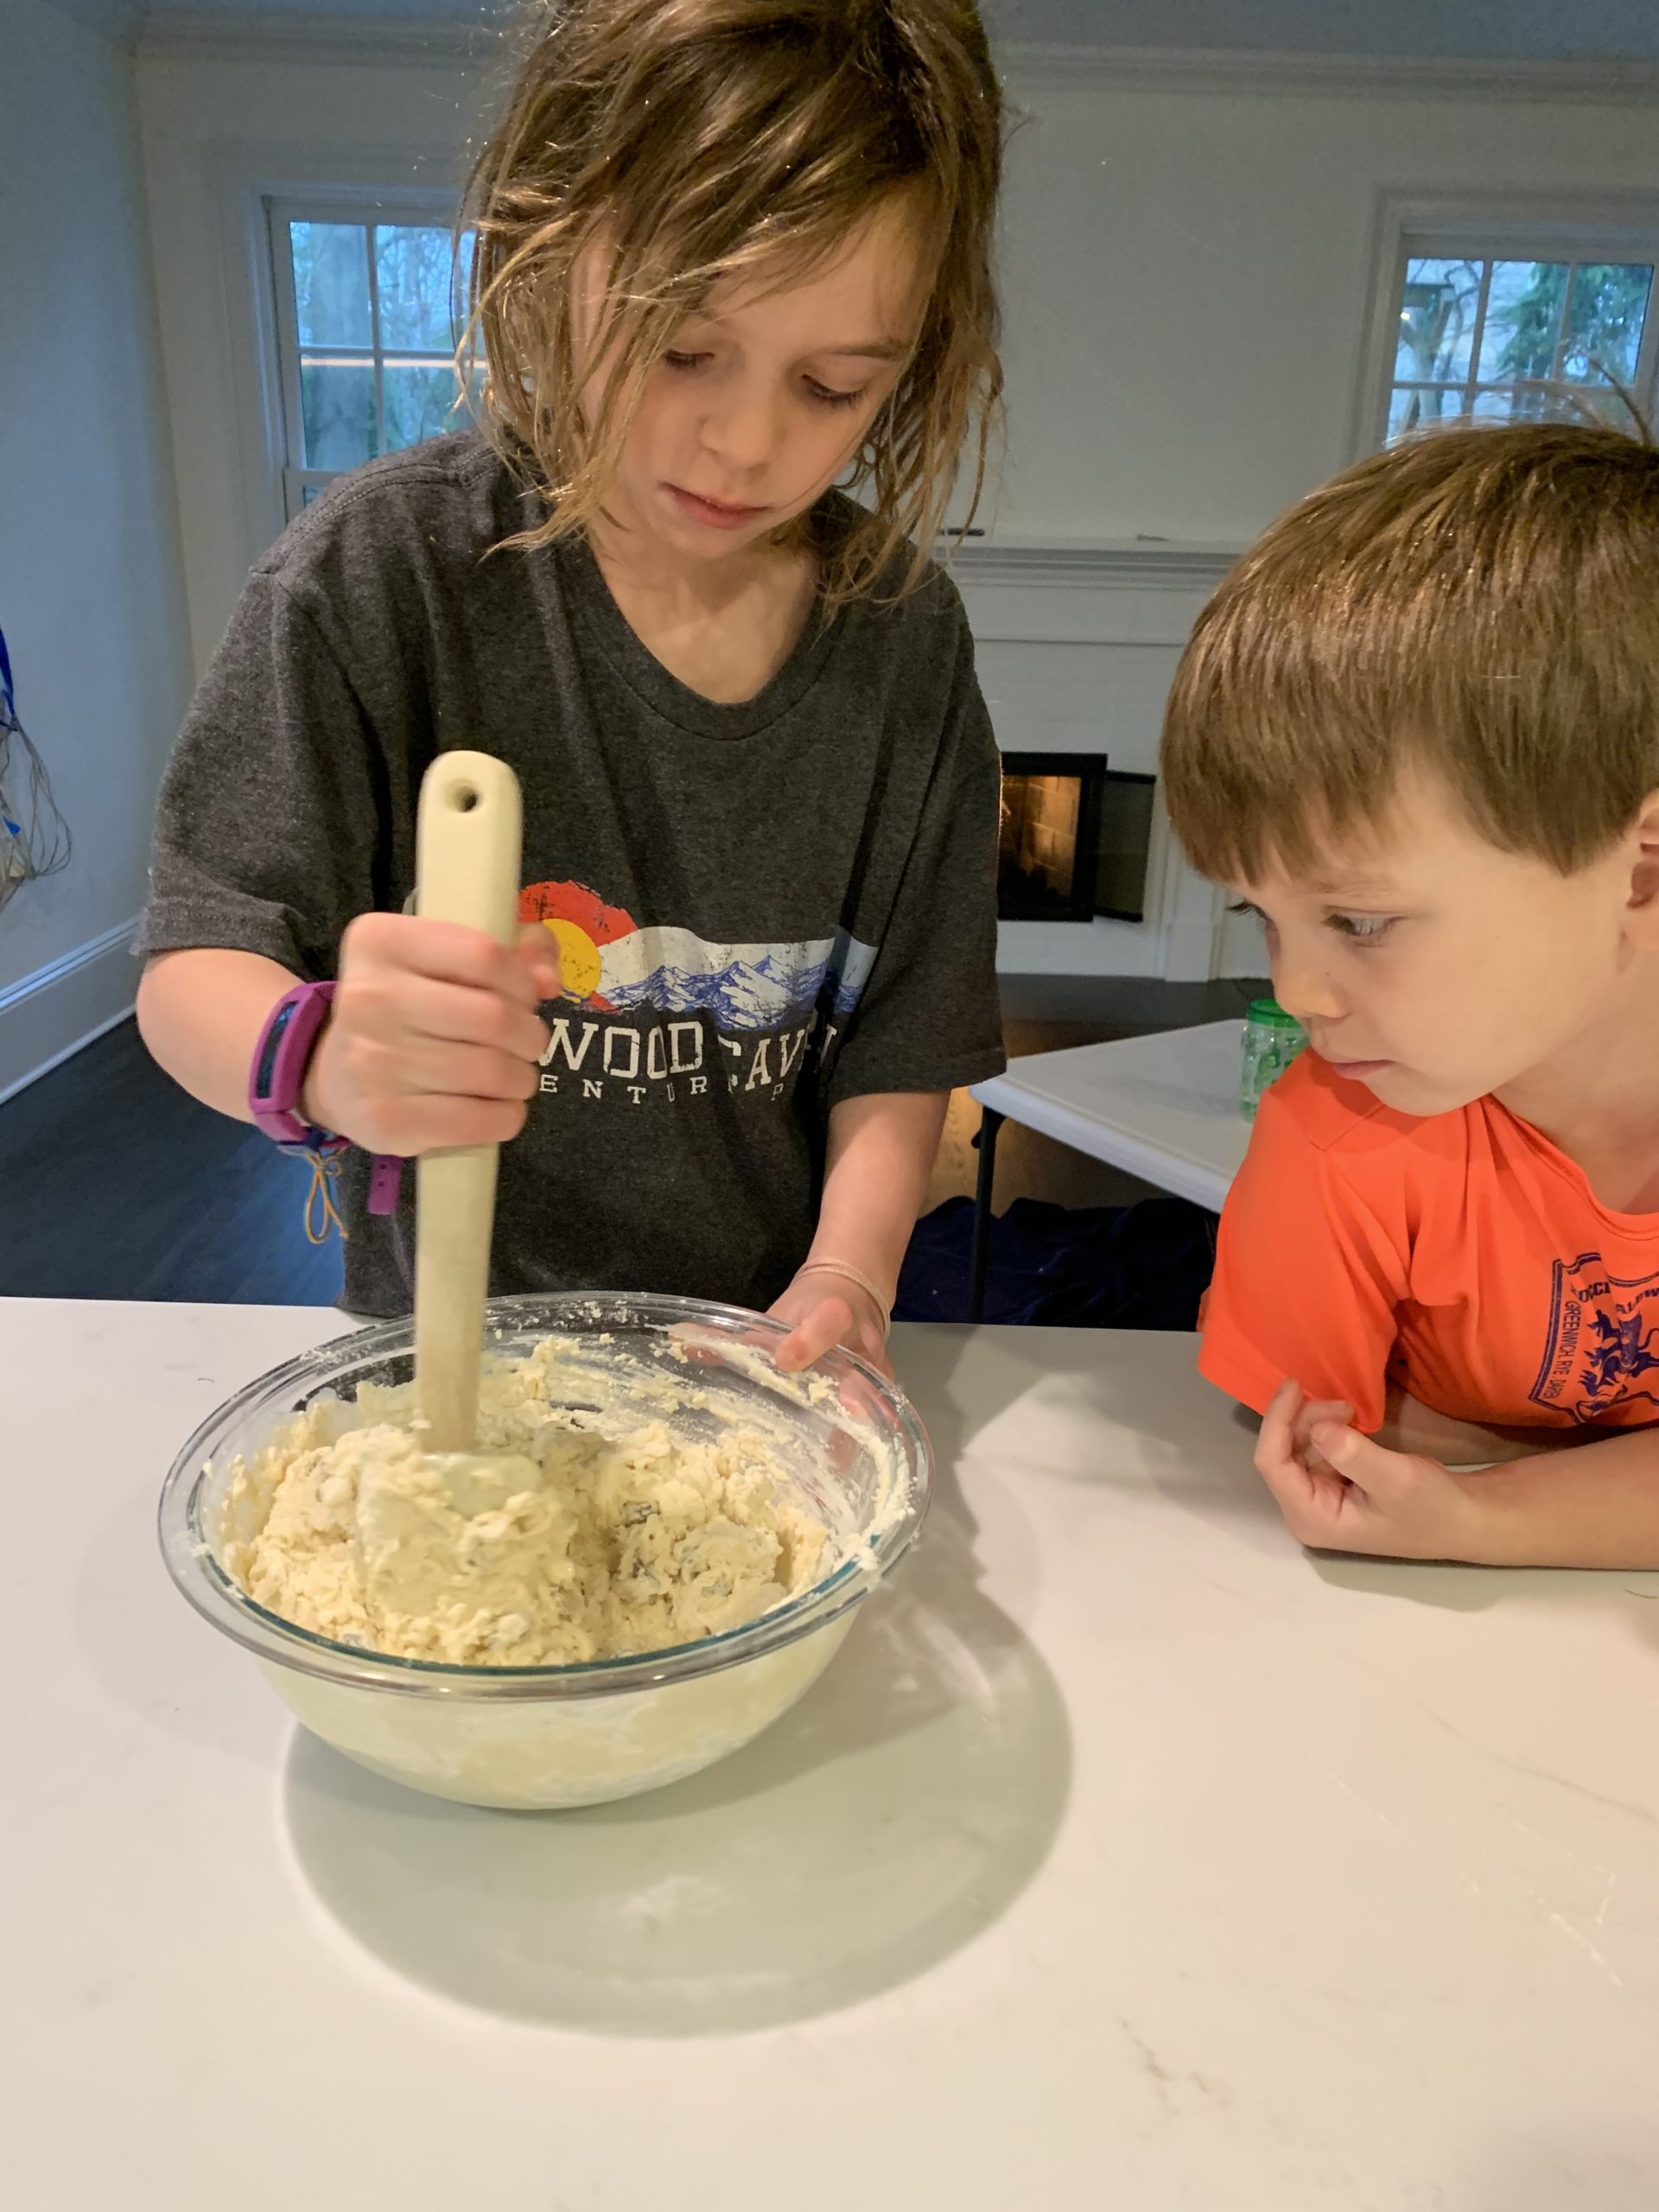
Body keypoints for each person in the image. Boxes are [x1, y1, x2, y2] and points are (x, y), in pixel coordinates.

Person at [137, 0, 1009, 1376]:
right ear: (550, 243)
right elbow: (194, 965)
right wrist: (314, 1057)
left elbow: (903, 1040)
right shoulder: (381, 577)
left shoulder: (904, 641)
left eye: (834, 387)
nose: (746, 441)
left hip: (750, 1364)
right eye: (680, 350)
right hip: (446, 1364)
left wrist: (849, 1271)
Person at [1160, 418, 1659, 1567]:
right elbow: (1348, 1460)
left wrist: (1493, 1503)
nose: (1299, 995)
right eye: (1262, 917)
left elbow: (1446, 1482)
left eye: (1360, 921)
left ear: (1640, 872)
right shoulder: (1337, 1150)